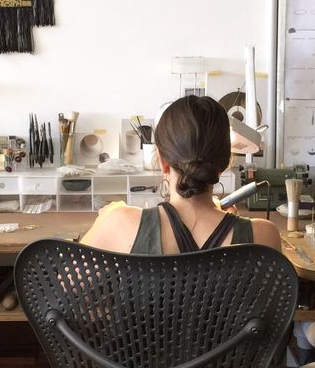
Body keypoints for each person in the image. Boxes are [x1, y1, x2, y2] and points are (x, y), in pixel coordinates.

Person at [80, 95, 282, 254]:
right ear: (225, 162)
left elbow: (61, 298)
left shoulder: (119, 223)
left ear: (162, 161)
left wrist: (105, 220)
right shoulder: (264, 236)